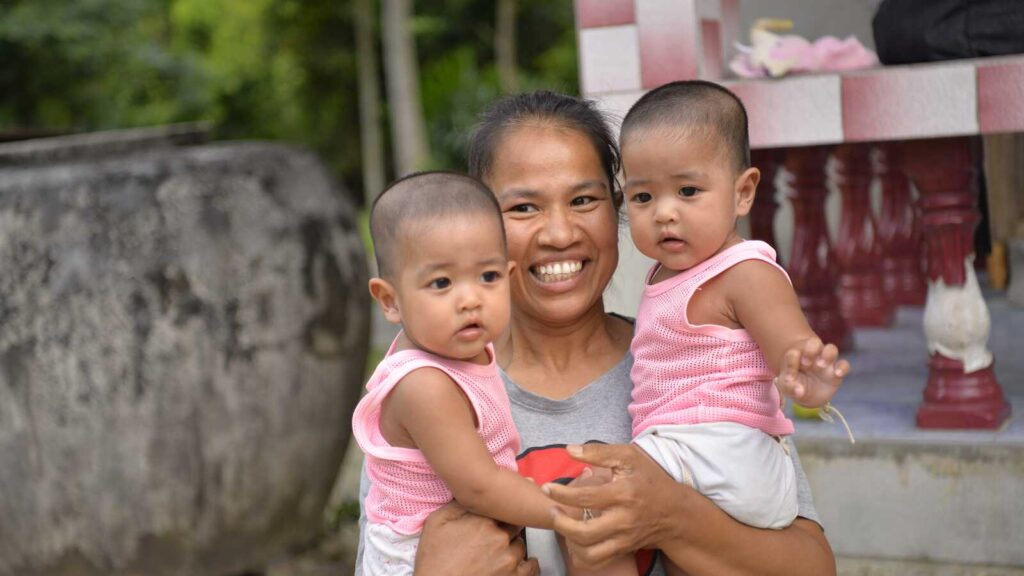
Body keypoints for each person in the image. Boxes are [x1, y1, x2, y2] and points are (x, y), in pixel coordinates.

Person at [358, 91, 839, 576]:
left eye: (584, 200)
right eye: (524, 207)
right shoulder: (434, 395)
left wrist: (671, 517)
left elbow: (813, 566)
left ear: (617, 208)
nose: (560, 233)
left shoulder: (691, 363)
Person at [611, 80, 850, 570]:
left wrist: (808, 380)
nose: (664, 213)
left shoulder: (744, 272)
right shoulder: (666, 274)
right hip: (695, 453)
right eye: (642, 196)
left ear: (743, 193)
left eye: (688, 191)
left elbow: (793, 346)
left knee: (602, 501)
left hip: (726, 449)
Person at [352, 171, 633, 576]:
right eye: (441, 282)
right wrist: (569, 511)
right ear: (389, 300)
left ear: (509, 276)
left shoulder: (461, 352)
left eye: (488, 277)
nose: (470, 299)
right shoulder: (423, 384)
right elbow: (479, 487)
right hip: (417, 558)